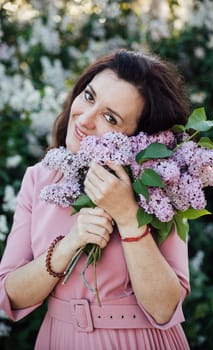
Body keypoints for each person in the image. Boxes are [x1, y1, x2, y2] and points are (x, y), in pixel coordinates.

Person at [0, 49, 191, 349]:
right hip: (60, 340)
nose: (85, 120)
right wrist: (69, 244)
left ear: (139, 139)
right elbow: (10, 294)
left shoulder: (158, 185)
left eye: (110, 117)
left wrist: (128, 216)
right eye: (89, 97)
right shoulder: (39, 179)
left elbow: (165, 307)